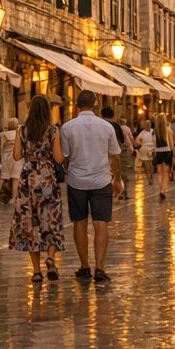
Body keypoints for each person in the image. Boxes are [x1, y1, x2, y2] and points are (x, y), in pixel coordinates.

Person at [55, 90, 121, 282]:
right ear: (95, 104)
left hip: (77, 180)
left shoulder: (67, 127)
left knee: (80, 222)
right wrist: (116, 179)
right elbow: (115, 156)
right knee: (101, 223)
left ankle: (84, 266)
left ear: (77, 105)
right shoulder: (106, 127)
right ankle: (100, 267)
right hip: (101, 180)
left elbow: (65, 157)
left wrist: (71, 170)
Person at [8, 95, 64, 282]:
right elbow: (58, 158)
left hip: (28, 178)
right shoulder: (53, 130)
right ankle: (50, 258)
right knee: (50, 218)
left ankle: (36, 272)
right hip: (47, 176)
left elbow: (16, 156)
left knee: (30, 222)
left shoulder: (22, 130)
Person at [101, 107, 133, 200]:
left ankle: (109, 192)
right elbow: (121, 141)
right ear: (113, 115)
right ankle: (121, 191)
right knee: (118, 173)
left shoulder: (100, 124)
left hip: (102, 153)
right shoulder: (116, 125)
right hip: (115, 153)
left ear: (102, 115)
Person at [0, 115, 22, 204]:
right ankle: (14, 197)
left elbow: (1, 147)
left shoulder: (3, 134)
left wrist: (0, 158)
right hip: (16, 157)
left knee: (4, 176)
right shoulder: (19, 133)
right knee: (15, 177)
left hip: (6, 157)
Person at [152, 115, 175, 200]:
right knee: (166, 173)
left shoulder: (155, 131)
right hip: (167, 152)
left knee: (159, 173)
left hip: (158, 153)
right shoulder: (168, 130)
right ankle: (163, 190)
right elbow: (172, 144)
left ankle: (160, 188)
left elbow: (154, 143)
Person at [137, 118, 157, 186]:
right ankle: (149, 179)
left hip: (151, 149)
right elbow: (137, 141)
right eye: (146, 124)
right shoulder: (142, 133)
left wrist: (155, 148)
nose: (148, 125)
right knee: (146, 165)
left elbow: (156, 140)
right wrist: (140, 142)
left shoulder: (153, 131)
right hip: (144, 149)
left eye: (149, 124)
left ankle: (151, 178)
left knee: (151, 165)